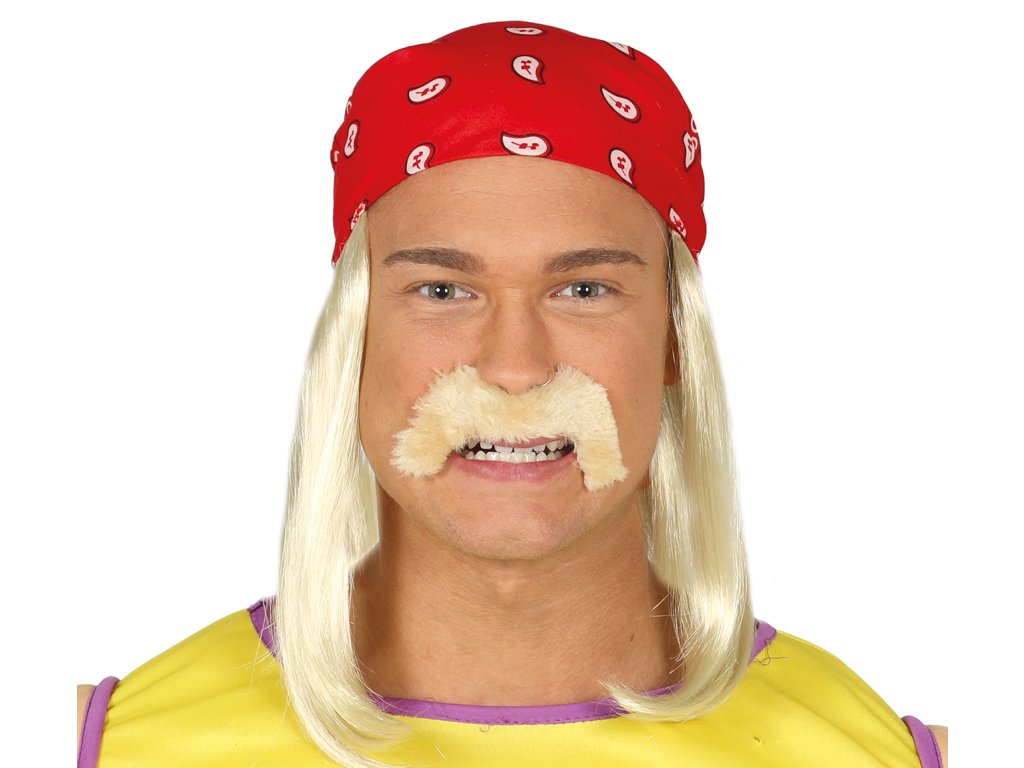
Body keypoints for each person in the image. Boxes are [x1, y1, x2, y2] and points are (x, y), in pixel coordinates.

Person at [77, 20, 948, 767]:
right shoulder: (119, 742)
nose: (516, 367)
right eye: (443, 290)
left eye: (584, 290)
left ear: (674, 340)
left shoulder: (870, 750)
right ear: (357, 337)